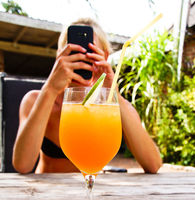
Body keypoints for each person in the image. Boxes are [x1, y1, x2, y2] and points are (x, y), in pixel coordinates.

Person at [12, 18, 162, 174]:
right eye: (74, 51)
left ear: (104, 56)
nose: (82, 57)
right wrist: (50, 89)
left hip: (92, 190)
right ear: (60, 55)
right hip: (47, 194)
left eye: (90, 51)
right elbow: (23, 165)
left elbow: (153, 164)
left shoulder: (110, 107)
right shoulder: (35, 100)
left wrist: (114, 93)